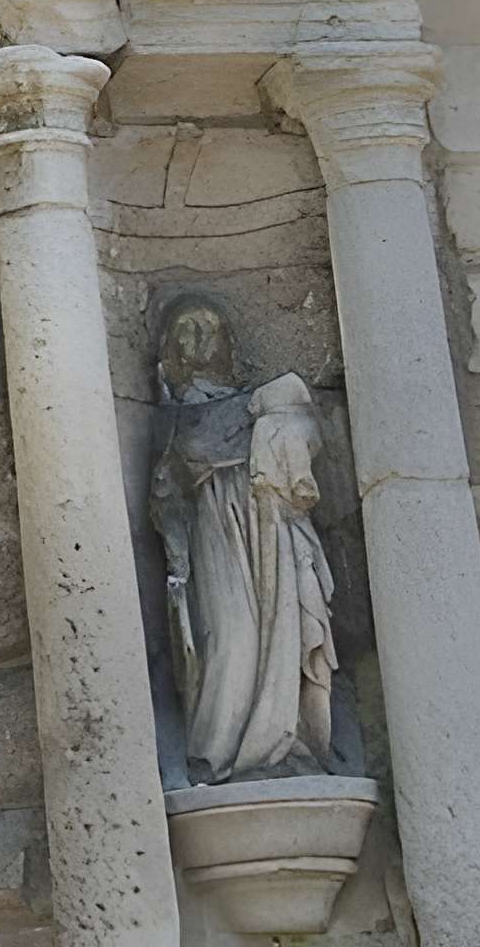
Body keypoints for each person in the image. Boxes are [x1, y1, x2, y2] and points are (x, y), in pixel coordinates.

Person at [148, 293, 339, 783]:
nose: (199, 341)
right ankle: (214, 758)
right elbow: (179, 465)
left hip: (268, 524)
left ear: (228, 343)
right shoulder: (174, 414)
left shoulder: (257, 404)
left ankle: (278, 744)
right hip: (214, 526)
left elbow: (303, 435)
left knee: (282, 632)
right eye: (186, 331)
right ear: (171, 347)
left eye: (209, 329)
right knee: (231, 638)